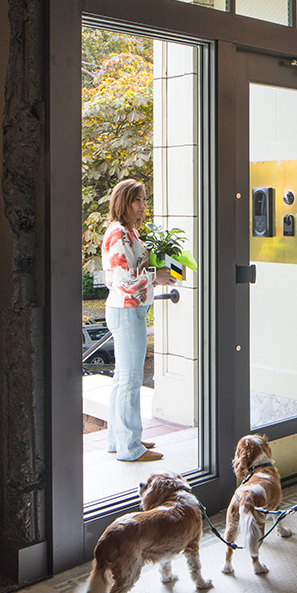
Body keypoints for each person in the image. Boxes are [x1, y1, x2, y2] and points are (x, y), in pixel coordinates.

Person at [101, 179, 163, 463]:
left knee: (122, 378)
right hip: (127, 310)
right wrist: (155, 277)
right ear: (123, 202)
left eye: (144, 200)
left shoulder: (127, 232)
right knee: (130, 379)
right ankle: (130, 447)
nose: (142, 206)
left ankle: (121, 439)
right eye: (137, 200)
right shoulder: (119, 234)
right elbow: (124, 279)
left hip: (129, 309)